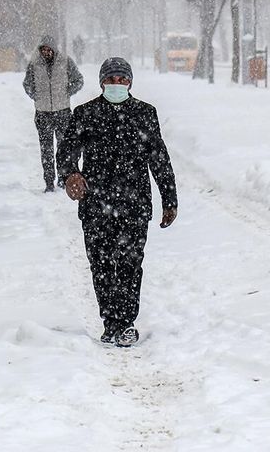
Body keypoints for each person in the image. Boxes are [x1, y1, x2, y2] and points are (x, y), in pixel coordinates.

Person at [57, 57, 178, 348]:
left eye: (122, 80)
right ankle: (110, 322)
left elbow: (159, 158)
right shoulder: (86, 114)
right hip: (97, 204)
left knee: (130, 264)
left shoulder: (145, 114)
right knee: (100, 264)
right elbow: (66, 151)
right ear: (102, 83)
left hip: (134, 205)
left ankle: (126, 323)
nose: (117, 85)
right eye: (111, 80)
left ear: (130, 82)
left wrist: (169, 199)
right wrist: (72, 174)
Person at [22, 34, 84, 192]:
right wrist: (36, 96)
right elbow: (27, 84)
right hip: (43, 113)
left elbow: (79, 80)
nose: (46, 52)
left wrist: (67, 92)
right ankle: (49, 181)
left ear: (54, 49)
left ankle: (64, 179)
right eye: (43, 49)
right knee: (46, 149)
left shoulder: (66, 61)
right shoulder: (34, 64)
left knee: (63, 148)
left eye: (49, 49)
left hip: (63, 112)